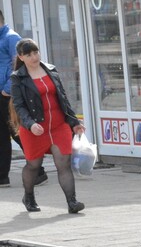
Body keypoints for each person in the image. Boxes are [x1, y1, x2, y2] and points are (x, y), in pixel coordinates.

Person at [10, 38, 85, 213]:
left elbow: (63, 99)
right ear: (21, 57)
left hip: (59, 126)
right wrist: (30, 124)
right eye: (29, 54)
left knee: (63, 163)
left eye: (36, 52)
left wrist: (74, 122)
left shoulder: (50, 69)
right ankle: (28, 196)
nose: (34, 57)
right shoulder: (18, 78)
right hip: (35, 128)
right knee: (33, 166)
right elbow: (19, 106)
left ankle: (72, 202)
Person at [0, 12, 47, 188]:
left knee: (18, 133)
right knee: (2, 135)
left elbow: (21, 66)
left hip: (7, 95)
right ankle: (2, 176)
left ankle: (38, 171)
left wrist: (7, 90)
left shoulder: (11, 38)